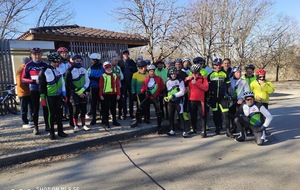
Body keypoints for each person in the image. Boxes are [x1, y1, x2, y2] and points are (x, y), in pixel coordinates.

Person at [39, 52, 68, 140]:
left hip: (58, 95)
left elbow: (62, 82)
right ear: (50, 61)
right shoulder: (44, 71)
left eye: (58, 61)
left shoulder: (58, 70)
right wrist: (43, 97)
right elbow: (42, 86)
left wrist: (64, 94)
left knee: (59, 114)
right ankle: (52, 132)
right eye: (55, 61)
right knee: (51, 115)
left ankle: (60, 131)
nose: (56, 63)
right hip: (49, 96)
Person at [21, 47, 49, 135]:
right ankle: (36, 127)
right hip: (34, 90)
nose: (37, 56)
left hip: (44, 90)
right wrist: (33, 81)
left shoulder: (45, 64)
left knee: (45, 108)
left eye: (39, 54)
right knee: (35, 109)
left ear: (41, 55)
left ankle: (47, 125)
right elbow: (23, 79)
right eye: (35, 54)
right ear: (32, 55)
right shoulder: (28, 65)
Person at [130, 64, 164, 130]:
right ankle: (137, 121)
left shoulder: (159, 79)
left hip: (155, 97)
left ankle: (159, 126)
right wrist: (144, 91)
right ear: (148, 72)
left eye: (153, 71)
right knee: (139, 108)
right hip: (148, 97)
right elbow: (142, 88)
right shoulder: (146, 80)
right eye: (150, 71)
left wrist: (161, 92)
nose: (152, 73)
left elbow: (162, 87)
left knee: (158, 111)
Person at [65, 54, 90, 132]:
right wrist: (78, 92)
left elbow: (87, 81)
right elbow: (69, 83)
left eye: (80, 61)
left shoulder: (84, 69)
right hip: (74, 92)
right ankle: (75, 125)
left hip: (83, 91)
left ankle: (83, 125)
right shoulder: (69, 70)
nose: (78, 62)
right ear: (73, 61)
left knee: (83, 109)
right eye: (76, 61)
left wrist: (82, 90)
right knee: (75, 110)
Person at [207, 58, 231, 136]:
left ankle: (228, 130)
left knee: (226, 114)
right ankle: (217, 129)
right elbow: (208, 88)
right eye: (216, 65)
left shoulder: (225, 74)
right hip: (214, 98)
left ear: (221, 65)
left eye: (219, 65)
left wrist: (229, 95)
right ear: (213, 65)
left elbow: (228, 86)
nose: (217, 66)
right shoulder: (210, 75)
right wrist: (208, 98)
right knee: (215, 114)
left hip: (223, 97)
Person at [185, 64, 209, 137]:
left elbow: (206, 88)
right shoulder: (190, 78)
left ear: (199, 71)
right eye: (193, 72)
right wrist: (186, 79)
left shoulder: (203, 78)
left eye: (195, 72)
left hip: (200, 99)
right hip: (192, 99)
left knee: (202, 115)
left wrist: (197, 83)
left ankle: (203, 130)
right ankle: (194, 129)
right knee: (193, 115)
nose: (194, 74)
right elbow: (184, 85)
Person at [164, 66, 187, 137]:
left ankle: (185, 131)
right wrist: (165, 97)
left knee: (180, 115)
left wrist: (174, 95)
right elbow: (166, 91)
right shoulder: (167, 82)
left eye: (174, 74)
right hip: (170, 102)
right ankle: (172, 130)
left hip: (178, 101)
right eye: (172, 74)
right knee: (171, 116)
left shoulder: (180, 81)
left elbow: (182, 92)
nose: (173, 75)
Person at [99, 61, 121, 128]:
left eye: (109, 67)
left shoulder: (115, 75)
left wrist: (118, 94)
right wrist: (101, 95)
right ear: (104, 68)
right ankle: (106, 122)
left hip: (113, 94)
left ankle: (114, 120)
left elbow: (117, 85)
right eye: (107, 67)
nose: (108, 68)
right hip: (105, 94)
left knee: (113, 108)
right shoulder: (103, 76)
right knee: (106, 109)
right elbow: (101, 86)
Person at [228, 66, 250, 133]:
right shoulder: (229, 80)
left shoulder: (243, 81)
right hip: (232, 100)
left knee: (241, 114)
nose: (239, 74)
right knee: (232, 115)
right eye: (237, 72)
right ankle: (234, 127)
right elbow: (227, 90)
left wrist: (242, 99)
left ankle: (244, 128)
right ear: (233, 73)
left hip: (240, 100)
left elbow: (247, 92)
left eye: (240, 72)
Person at [118, 49, 137, 120]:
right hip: (123, 83)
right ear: (122, 55)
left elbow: (135, 72)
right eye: (124, 54)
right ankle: (124, 113)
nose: (125, 55)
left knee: (131, 99)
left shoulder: (132, 62)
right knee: (124, 99)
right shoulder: (120, 63)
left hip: (131, 83)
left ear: (128, 54)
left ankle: (131, 113)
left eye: (126, 54)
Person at [87, 53, 104, 125]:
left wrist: (92, 77)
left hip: (100, 88)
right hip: (93, 88)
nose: (90, 60)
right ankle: (94, 118)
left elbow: (100, 78)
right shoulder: (91, 68)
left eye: (91, 59)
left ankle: (103, 118)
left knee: (102, 103)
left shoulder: (102, 68)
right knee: (93, 104)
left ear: (95, 60)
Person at [16, 57, 33, 128]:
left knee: (30, 107)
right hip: (23, 93)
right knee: (24, 108)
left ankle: (30, 119)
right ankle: (24, 123)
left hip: (27, 92)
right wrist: (27, 88)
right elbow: (20, 83)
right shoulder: (20, 70)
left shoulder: (25, 69)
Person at [57, 47, 73, 122]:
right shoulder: (57, 63)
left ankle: (69, 114)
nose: (64, 54)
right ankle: (63, 114)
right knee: (62, 100)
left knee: (69, 100)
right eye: (62, 53)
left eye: (65, 53)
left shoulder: (70, 63)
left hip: (68, 84)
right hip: (60, 84)